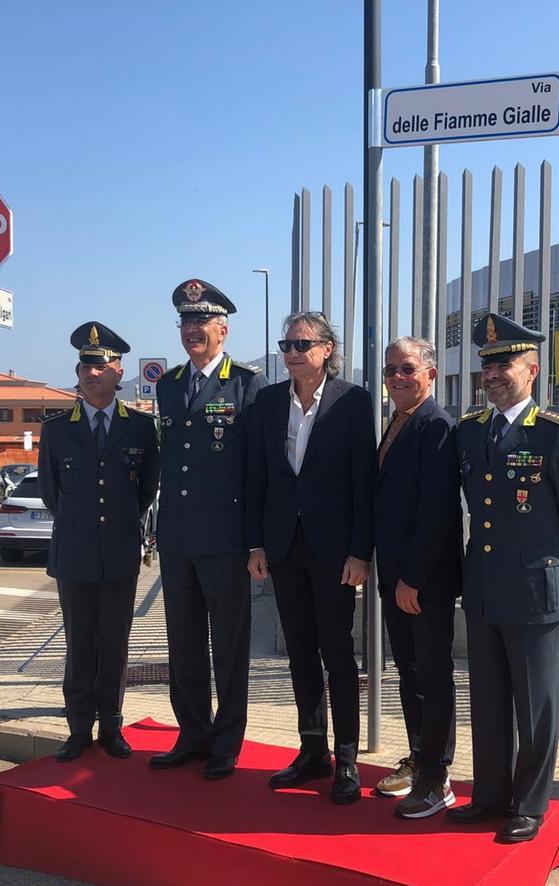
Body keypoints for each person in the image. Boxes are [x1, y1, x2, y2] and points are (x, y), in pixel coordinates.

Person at [445, 313, 559, 843]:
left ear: (532, 370)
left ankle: (529, 805)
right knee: (488, 703)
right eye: (486, 366)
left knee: (536, 707)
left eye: (504, 365)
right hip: (485, 589)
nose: (491, 375)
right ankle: (489, 796)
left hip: (535, 592)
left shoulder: (556, 434)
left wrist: (553, 570)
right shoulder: (471, 431)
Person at [246, 311, 375, 804]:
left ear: (327, 349)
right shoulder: (268, 401)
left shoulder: (353, 401)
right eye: (287, 345)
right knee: (299, 652)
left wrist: (360, 552)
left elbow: (363, 483)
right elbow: (258, 477)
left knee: (337, 654)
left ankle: (347, 759)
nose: (293, 353)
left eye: (303, 344)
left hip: (334, 551)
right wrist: (256, 544)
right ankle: (312, 750)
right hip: (283, 546)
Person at [149, 279, 265, 780]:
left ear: (223, 329)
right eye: (185, 321)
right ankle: (192, 735)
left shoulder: (247, 384)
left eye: (201, 321)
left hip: (226, 541)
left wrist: (255, 540)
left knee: (230, 647)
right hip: (178, 538)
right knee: (184, 645)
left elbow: (257, 468)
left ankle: (226, 741)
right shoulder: (169, 385)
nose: (192, 330)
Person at [37, 321, 159, 763]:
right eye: (86, 366)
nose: (93, 373)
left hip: (120, 554)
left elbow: (147, 489)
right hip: (74, 554)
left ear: (118, 372)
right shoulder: (56, 430)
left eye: (102, 365)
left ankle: (111, 725)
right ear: (78, 373)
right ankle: (78, 728)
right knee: (79, 645)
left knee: (115, 645)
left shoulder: (141, 428)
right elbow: (51, 494)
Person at [371, 336, 461, 819]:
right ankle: (420, 757)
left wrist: (413, 578)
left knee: (431, 675)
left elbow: (437, 511)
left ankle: (436, 778)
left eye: (407, 369)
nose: (397, 377)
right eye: (391, 370)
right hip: (397, 575)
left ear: (430, 374)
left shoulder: (436, 425)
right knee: (410, 672)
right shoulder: (401, 420)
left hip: (423, 580)